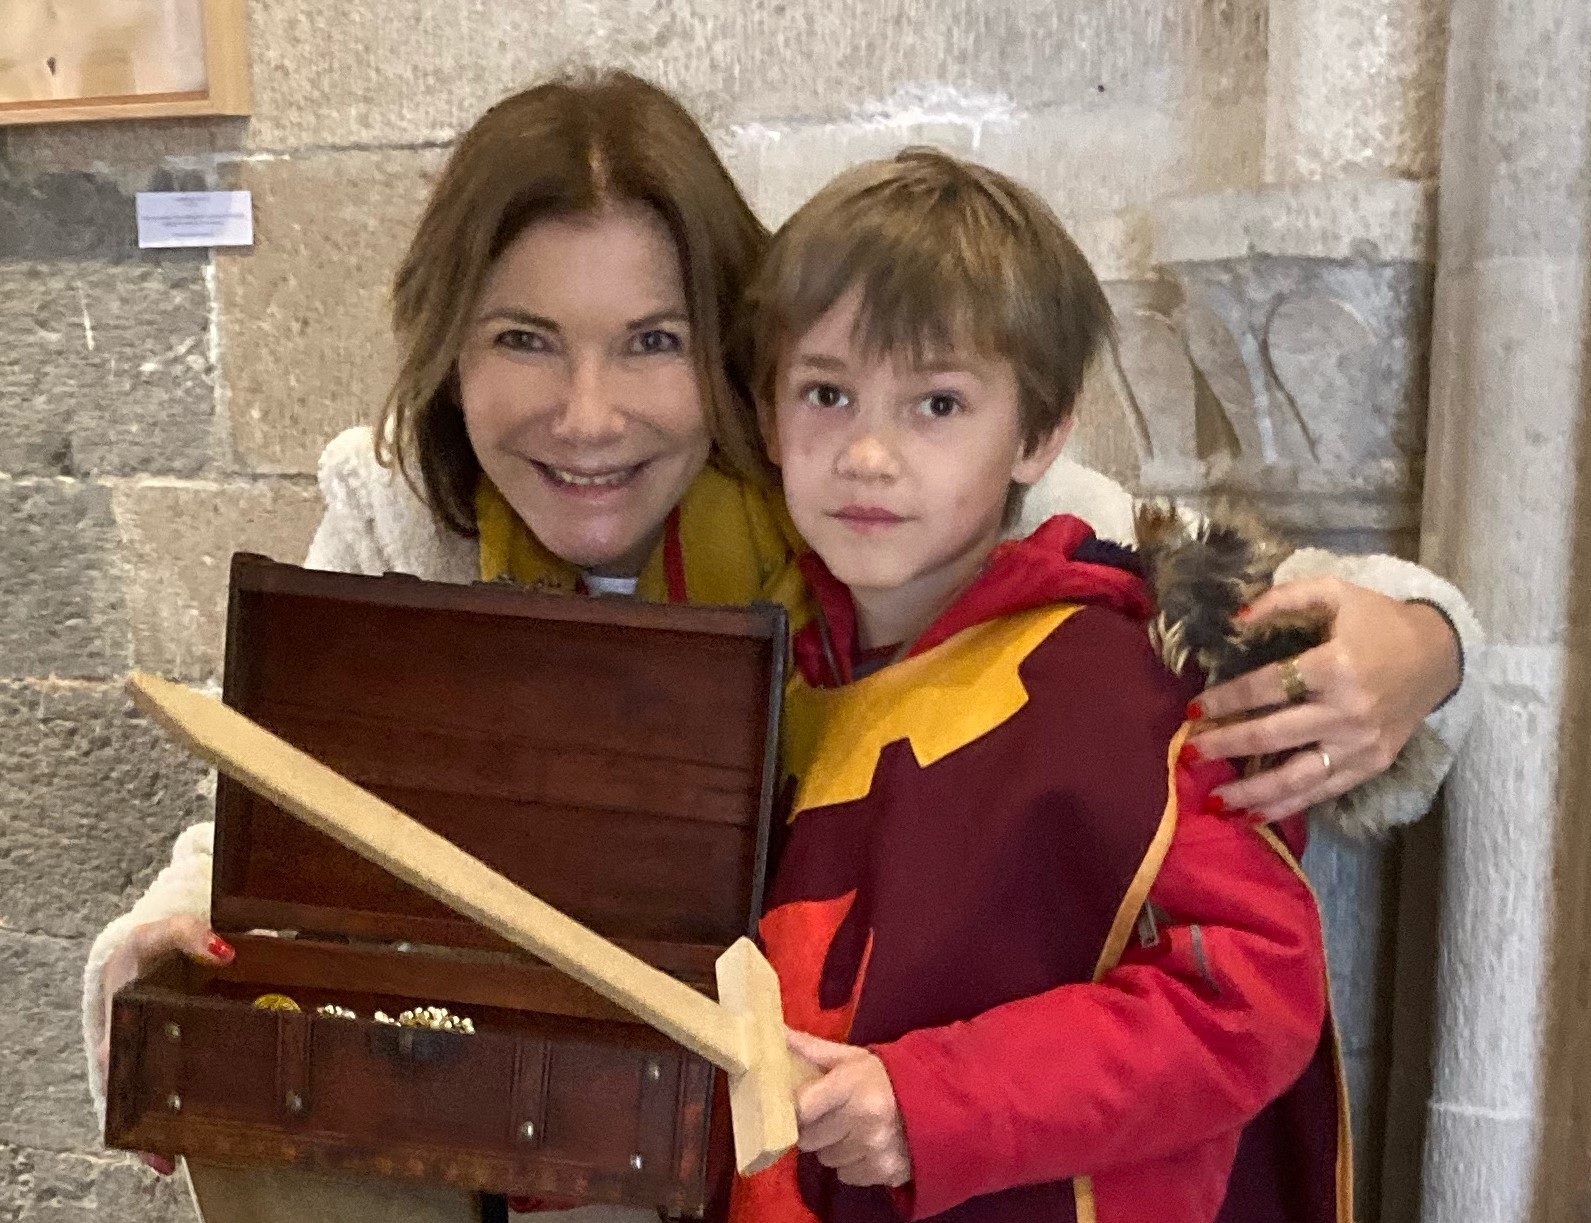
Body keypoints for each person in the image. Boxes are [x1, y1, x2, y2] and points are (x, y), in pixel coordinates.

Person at [79, 69, 1471, 1214]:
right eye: (521, 338)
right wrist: (172, 937)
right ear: (450, 348)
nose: (584, 414)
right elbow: (288, 778)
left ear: (733, 355)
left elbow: (1226, 600)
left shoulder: (874, 506)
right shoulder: (402, 513)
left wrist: (1417, 640)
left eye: (648, 340)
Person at [735, 146, 1339, 1223]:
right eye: (826, 392)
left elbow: (1245, 994)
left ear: (1040, 431)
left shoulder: (1129, 685)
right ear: (769, 409)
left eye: (935, 404)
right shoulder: (761, 677)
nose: (866, 454)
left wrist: (935, 1100)